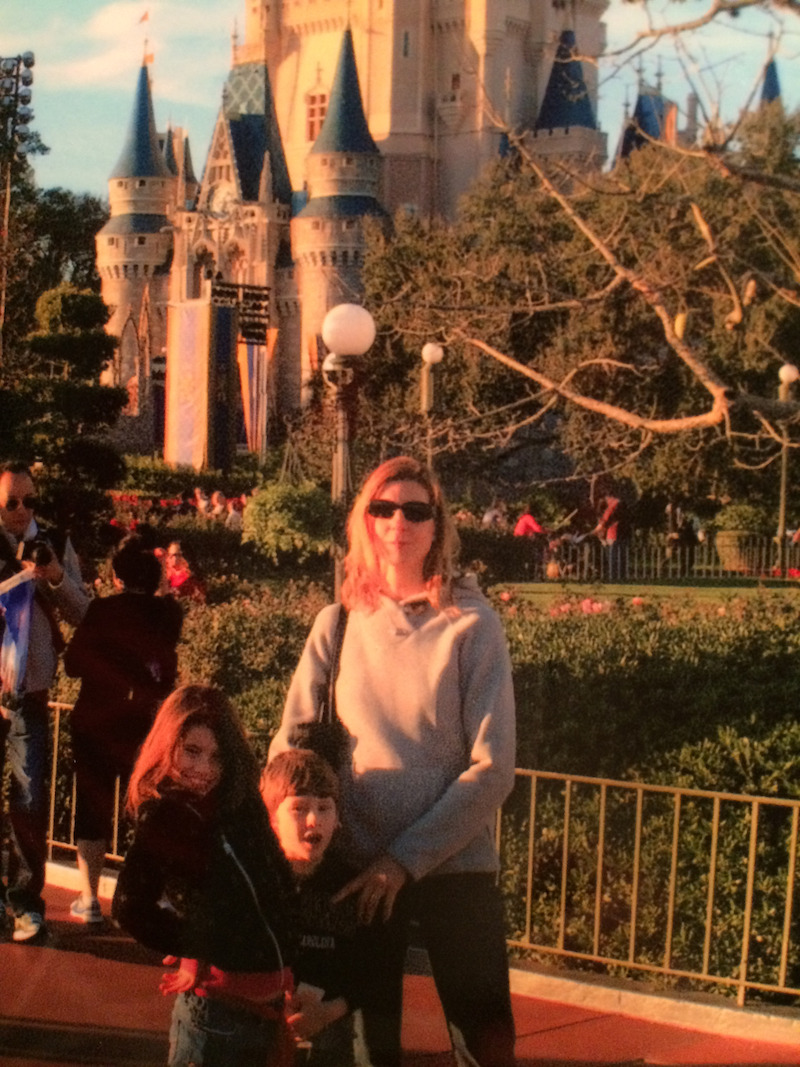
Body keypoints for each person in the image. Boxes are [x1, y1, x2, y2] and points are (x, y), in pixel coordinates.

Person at [270, 456, 517, 1067]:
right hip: (356, 872)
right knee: (364, 1049)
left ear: (437, 526)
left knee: (484, 1044)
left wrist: (403, 862)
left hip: (452, 867)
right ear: (364, 521)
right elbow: (289, 749)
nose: (398, 521)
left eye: (415, 509)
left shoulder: (474, 626)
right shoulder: (340, 623)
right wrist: (302, 834)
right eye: (383, 508)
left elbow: (494, 767)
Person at [112, 685, 296, 1067]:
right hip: (214, 1018)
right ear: (167, 745)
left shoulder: (241, 807)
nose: (204, 770)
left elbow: (277, 877)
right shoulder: (166, 817)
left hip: (269, 1010)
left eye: (217, 757)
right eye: (192, 752)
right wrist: (195, 943)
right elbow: (129, 906)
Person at [63, 535, 184, 924]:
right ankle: (146, 896)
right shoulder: (167, 615)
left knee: (92, 809)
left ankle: (89, 899)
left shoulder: (102, 612)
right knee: (147, 807)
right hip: (149, 725)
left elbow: (74, 664)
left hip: (97, 720)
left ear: (116, 576)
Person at [0, 461, 90, 942]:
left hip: (30, 694)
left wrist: (55, 576)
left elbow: (84, 614)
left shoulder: (54, 541)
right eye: (10, 502)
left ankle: (24, 902)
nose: (21, 511)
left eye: (29, 500)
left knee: (29, 800)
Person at [262, 749, 370, 1067]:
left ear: (338, 819)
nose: (314, 819)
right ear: (272, 819)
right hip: (262, 1015)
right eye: (299, 808)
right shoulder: (259, 879)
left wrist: (329, 1011)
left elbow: (372, 967)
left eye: (324, 808)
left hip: (329, 1022)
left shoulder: (349, 885)